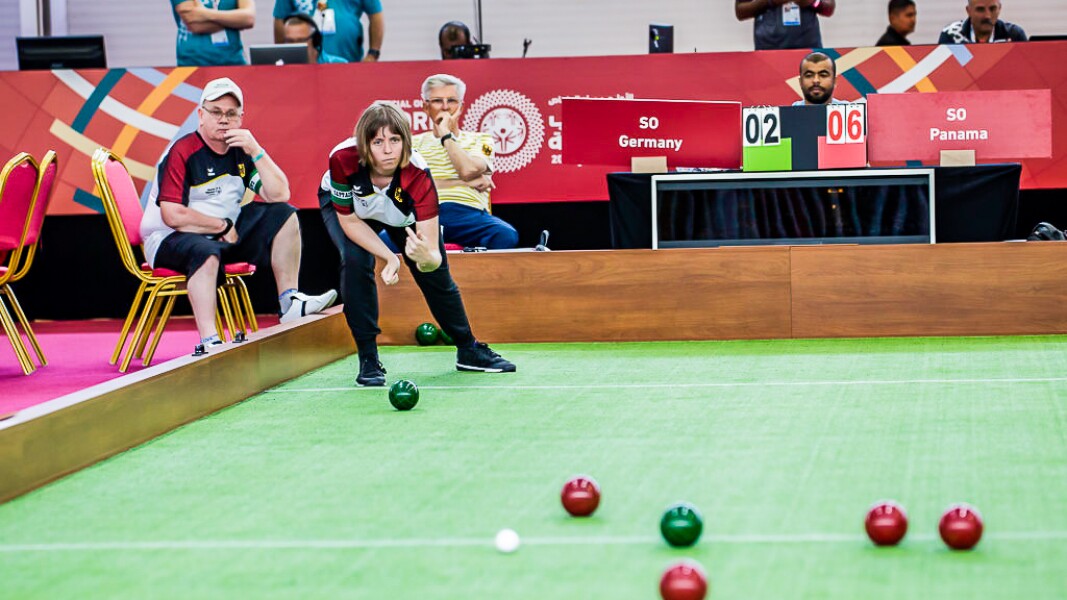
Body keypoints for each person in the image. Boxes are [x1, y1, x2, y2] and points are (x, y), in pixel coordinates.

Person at [317, 101, 516, 386]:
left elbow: (433, 256)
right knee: (356, 261)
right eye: (378, 141)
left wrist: (425, 256)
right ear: (364, 145)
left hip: (399, 213)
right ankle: (369, 359)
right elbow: (349, 222)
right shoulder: (342, 159)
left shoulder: (418, 175)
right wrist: (390, 257)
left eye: (395, 140)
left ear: (405, 142)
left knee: (436, 274)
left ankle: (468, 349)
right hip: (354, 214)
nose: (387, 150)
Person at [141, 77, 337, 354]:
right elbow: (172, 215)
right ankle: (211, 342)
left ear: (240, 118)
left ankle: (289, 303)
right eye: (216, 112)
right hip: (168, 239)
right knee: (205, 250)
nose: (224, 120)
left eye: (231, 114)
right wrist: (220, 225)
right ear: (201, 115)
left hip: (222, 233)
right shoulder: (182, 152)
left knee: (284, 214)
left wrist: (256, 150)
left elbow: (279, 193)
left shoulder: (241, 154)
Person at [412, 74, 518, 249]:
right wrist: (463, 182)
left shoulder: (482, 140)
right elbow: (408, 187)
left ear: (461, 107)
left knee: (505, 234)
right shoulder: (413, 143)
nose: (445, 108)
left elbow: (467, 170)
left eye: (452, 101)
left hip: (468, 214)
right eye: (438, 101)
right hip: (425, 213)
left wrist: (446, 135)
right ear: (425, 106)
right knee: (383, 240)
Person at [273, 0, 384, 62]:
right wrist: (282, 54)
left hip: (348, 57)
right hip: (304, 62)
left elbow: (376, 14)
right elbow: (280, 19)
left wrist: (373, 54)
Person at [170, 0, 255, 66]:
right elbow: (194, 23)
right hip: (192, 63)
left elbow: (248, 18)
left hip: (233, 61)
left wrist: (203, 13)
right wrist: (234, 21)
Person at [734, 0, 836, 51]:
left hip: (808, 49)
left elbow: (829, 8)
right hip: (768, 51)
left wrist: (812, 2)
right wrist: (769, 1)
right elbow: (741, 11)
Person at [938, 0, 1026, 44]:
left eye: (992, 9)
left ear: (999, 9)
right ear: (968, 11)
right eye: (980, 9)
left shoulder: (1014, 35)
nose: (987, 16)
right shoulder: (951, 34)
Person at [281, 13, 347, 63]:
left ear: (314, 40)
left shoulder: (339, 64)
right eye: (290, 41)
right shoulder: (278, 67)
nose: (295, 45)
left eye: (301, 40)